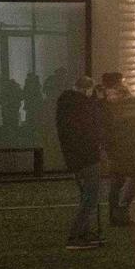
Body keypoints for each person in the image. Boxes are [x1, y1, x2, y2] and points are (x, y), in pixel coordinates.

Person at [55, 75, 106, 251]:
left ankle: (83, 233)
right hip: (87, 157)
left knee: (86, 196)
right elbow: (94, 125)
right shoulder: (82, 106)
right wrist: (98, 102)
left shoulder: (66, 104)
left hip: (75, 157)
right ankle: (75, 235)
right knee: (90, 198)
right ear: (87, 90)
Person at [101, 71, 135, 226]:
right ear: (117, 83)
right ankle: (121, 210)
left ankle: (114, 215)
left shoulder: (106, 99)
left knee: (117, 180)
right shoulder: (120, 99)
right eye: (122, 81)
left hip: (114, 145)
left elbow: (133, 103)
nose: (124, 83)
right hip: (128, 146)